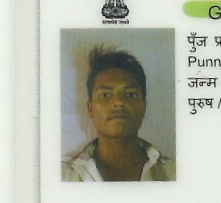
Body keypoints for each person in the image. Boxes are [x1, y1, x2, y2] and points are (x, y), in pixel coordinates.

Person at [62, 45, 176, 181]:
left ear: (144, 106)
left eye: (130, 94)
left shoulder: (175, 173)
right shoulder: (61, 175)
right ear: (90, 108)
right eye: (105, 95)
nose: (119, 102)